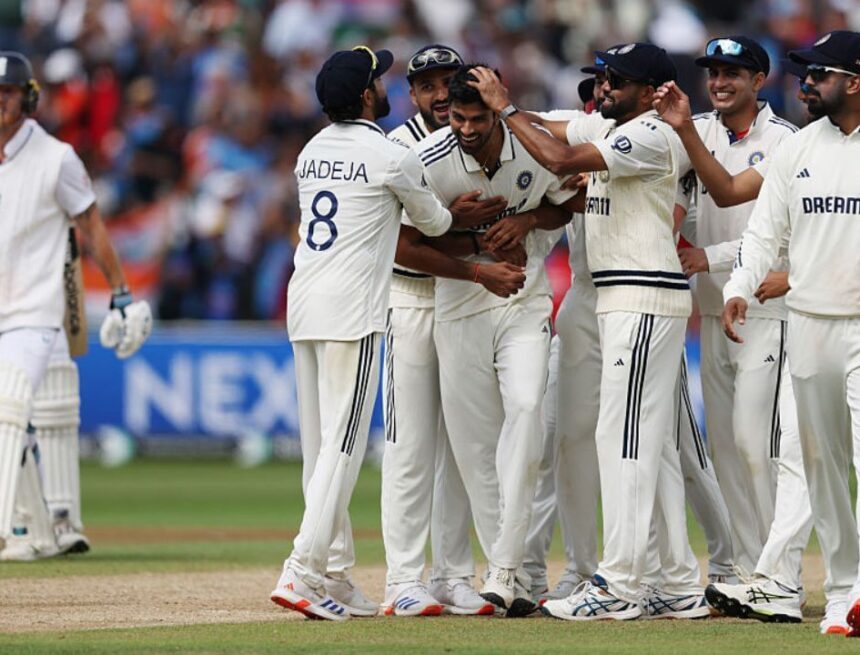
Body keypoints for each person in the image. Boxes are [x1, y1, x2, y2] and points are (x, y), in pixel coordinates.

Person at [469, 43, 706, 620]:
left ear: (650, 92)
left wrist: (503, 108)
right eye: (603, 78)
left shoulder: (651, 133)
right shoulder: (607, 122)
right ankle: (673, 581)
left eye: (617, 81)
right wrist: (501, 107)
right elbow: (547, 126)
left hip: (642, 296)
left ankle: (620, 584)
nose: (604, 88)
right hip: (612, 298)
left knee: (625, 441)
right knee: (629, 441)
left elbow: (557, 157)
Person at [268, 46, 504, 621]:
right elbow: (435, 222)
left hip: (304, 303)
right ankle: (301, 570)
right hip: (352, 310)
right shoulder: (388, 154)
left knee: (319, 445)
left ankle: (335, 571)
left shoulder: (310, 152)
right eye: (377, 79)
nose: (384, 86)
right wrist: (465, 219)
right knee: (344, 445)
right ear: (365, 95)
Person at [655, 54, 833, 630]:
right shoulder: (696, 130)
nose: (719, 83)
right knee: (729, 451)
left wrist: (708, 257)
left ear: (759, 81)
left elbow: (776, 235)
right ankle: (747, 569)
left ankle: (779, 576)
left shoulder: (786, 139)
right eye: (713, 74)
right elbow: (678, 197)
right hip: (714, 311)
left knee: (759, 448)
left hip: (766, 311)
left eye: (732, 74)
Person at [415, 64, 580, 617]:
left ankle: (507, 569)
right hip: (459, 305)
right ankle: (511, 575)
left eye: (476, 120)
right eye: (457, 119)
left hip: (524, 299)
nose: (464, 129)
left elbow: (570, 201)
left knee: (528, 410)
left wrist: (527, 221)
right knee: (476, 450)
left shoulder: (530, 144)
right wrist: (461, 235)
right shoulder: (430, 161)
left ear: (496, 114)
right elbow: (404, 245)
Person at [718, 30, 860, 637]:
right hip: (808, 325)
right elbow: (762, 234)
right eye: (805, 73)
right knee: (821, 466)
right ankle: (845, 593)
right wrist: (738, 286)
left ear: (854, 81)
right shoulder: (797, 149)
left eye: (819, 74)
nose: (805, 84)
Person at [0, 51, 151, 561]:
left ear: (28, 98)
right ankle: (33, 527)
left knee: (17, 404)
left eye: (8, 93)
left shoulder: (56, 157)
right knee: (21, 410)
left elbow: (90, 225)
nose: (0, 102)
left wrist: (121, 292)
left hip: (37, 310)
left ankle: (48, 522)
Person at [381, 44, 504, 617]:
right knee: (409, 444)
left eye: (445, 83)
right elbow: (403, 242)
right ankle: (402, 578)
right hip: (410, 298)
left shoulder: (476, 138)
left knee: (461, 445)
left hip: (462, 301)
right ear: (411, 94)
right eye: (426, 86)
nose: (437, 95)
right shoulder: (401, 147)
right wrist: (465, 232)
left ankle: (452, 575)